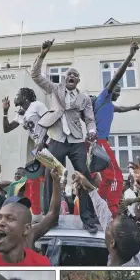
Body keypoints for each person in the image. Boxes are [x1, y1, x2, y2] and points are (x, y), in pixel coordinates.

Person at [31, 38, 99, 233]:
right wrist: (43, 53)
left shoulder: (84, 98)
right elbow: (35, 75)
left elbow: (89, 119)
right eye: (69, 73)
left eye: (75, 75)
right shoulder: (55, 89)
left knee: (84, 175)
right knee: (51, 174)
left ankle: (88, 219)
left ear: (78, 81)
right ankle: (50, 217)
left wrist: (92, 131)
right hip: (56, 138)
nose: (72, 75)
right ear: (64, 78)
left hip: (77, 140)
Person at [72, 171, 140, 266]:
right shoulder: (130, 254)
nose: (106, 225)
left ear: (112, 242)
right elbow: (104, 213)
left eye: (108, 228)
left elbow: (104, 217)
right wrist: (90, 188)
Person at [92, 40, 140, 217]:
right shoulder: (103, 97)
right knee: (115, 175)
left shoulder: (110, 105)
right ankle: (112, 208)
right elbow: (116, 78)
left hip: (97, 142)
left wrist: (133, 108)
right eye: (117, 90)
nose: (118, 93)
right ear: (108, 89)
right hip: (98, 141)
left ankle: (98, 203)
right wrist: (130, 56)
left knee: (106, 177)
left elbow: (120, 109)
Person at [3, 91, 50, 219]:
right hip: (38, 147)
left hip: (49, 143)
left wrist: (43, 141)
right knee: (33, 178)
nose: (15, 97)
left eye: (17, 95)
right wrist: (5, 111)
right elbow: (6, 129)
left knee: (46, 177)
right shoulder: (20, 114)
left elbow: (49, 121)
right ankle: (36, 213)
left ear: (24, 96)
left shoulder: (37, 105)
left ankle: (45, 211)